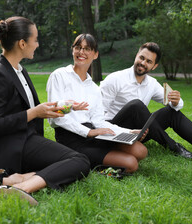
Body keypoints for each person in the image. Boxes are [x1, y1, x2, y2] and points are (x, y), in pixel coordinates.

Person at [0, 16, 90, 206]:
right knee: (79, 160)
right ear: (22, 43)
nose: (37, 44)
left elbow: (27, 106)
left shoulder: (19, 70)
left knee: (67, 161)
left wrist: (59, 107)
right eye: (36, 39)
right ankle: (20, 189)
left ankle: (10, 180)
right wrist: (34, 113)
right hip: (10, 146)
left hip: (26, 138)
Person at [99, 42, 192, 161]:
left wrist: (176, 101)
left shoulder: (151, 83)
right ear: (136, 55)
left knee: (171, 111)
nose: (143, 63)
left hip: (140, 133)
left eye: (149, 61)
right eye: (141, 58)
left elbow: (175, 105)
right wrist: (121, 132)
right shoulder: (115, 79)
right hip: (114, 133)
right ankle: (175, 148)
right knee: (136, 105)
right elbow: (97, 116)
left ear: (154, 66)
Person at [46, 33, 148, 173]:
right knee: (131, 164)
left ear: (95, 54)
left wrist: (128, 132)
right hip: (70, 138)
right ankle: (90, 165)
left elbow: (98, 121)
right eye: (78, 47)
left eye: (87, 49)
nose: (81, 52)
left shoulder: (94, 88)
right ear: (73, 50)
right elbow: (55, 119)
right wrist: (89, 132)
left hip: (94, 134)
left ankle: (100, 156)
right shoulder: (59, 75)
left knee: (141, 151)